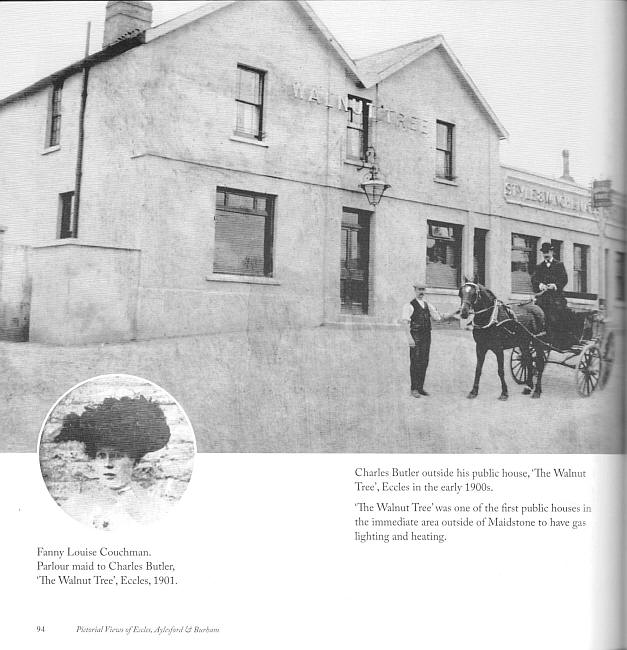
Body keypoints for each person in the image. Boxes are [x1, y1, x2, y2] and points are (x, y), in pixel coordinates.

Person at [52, 395, 172, 530]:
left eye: (117, 456)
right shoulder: (75, 506)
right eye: (101, 456)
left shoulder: (155, 508)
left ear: (135, 461)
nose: (108, 463)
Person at [400, 281, 456, 398]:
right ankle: (414, 389)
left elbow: (438, 317)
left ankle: (420, 388)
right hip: (415, 335)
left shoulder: (428, 305)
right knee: (415, 361)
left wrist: (453, 313)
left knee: (424, 361)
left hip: (426, 336)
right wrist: (409, 338)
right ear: (415, 290)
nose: (421, 292)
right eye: (419, 290)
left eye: (423, 290)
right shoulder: (409, 305)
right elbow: (405, 323)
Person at [531, 242, 569, 344]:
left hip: (556, 298)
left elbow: (564, 279)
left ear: (552, 252)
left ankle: (555, 337)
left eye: (547, 252)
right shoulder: (539, 266)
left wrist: (555, 286)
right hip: (542, 298)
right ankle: (539, 335)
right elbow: (534, 279)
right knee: (535, 313)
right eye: (544, 252)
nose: (545, 254)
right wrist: (540, 285)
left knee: (554, 314)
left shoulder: (559, 265)